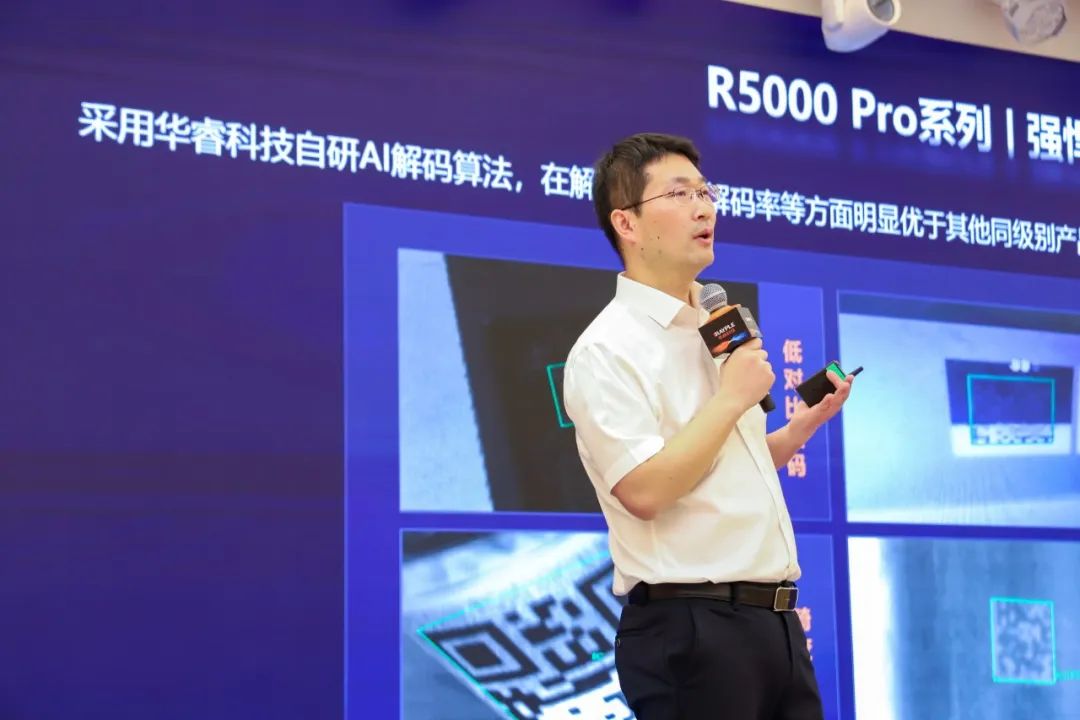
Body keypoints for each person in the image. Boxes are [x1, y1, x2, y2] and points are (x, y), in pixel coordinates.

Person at [563, 133, 854, 720]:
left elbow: (718, 464)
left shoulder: (716, 321)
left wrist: (796, 431)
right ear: (627, 222)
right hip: (691, 629)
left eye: (705, 192)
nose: (704, 208)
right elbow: (645, 490)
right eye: (679, 194)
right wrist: (731, 399)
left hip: (775, 623)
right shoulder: (606, 350)